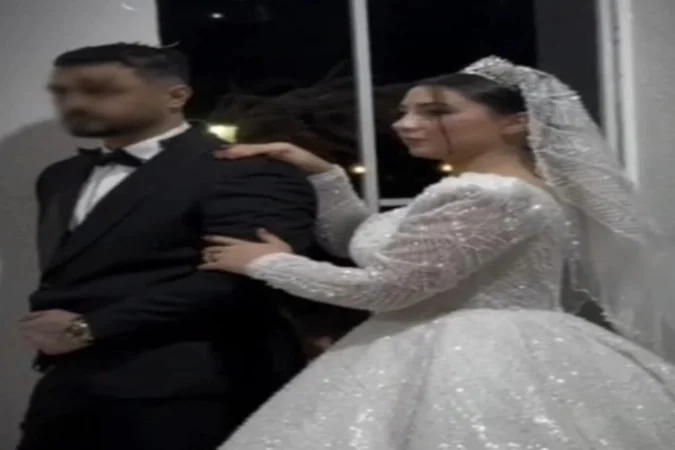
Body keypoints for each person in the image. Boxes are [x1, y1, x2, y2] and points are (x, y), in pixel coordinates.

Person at [202, 57, 675, 449]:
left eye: (436, 112)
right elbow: (368, 242)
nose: (406, 124)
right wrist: (325, 174)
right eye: (406, 112)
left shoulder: (491, 194)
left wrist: (267, 264)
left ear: (515, 123)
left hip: (474, 360)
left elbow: (390, 288)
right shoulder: (485, 188)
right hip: (485, 342)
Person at [17, 43, 316, 450]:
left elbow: (249, 279)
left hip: (193, 387)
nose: (75, 103)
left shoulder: (244, 169)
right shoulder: (60, 176)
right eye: (62, 92)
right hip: (69, 388)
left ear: (176, 96)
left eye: (99, 89)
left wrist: (88, 328)